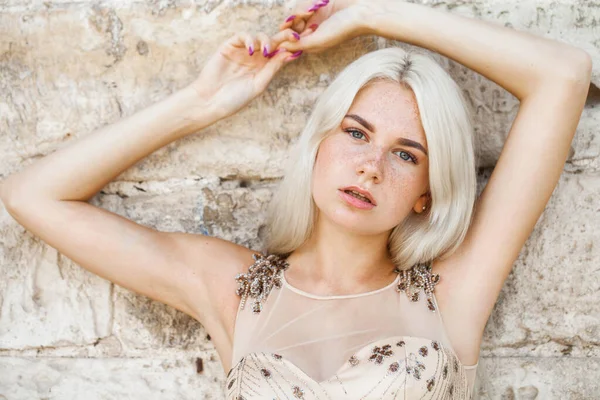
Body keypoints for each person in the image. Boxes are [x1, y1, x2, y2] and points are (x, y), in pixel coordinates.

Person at [0, 0, 591, 399]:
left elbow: (563, 74)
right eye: (356, 133)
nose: (371, 165)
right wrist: (202, 104)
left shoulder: (454, 293)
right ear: (318, 145)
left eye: (407, 154)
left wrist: (371, 13)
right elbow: (33, 195)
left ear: (425, 195)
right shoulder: (232, 288)